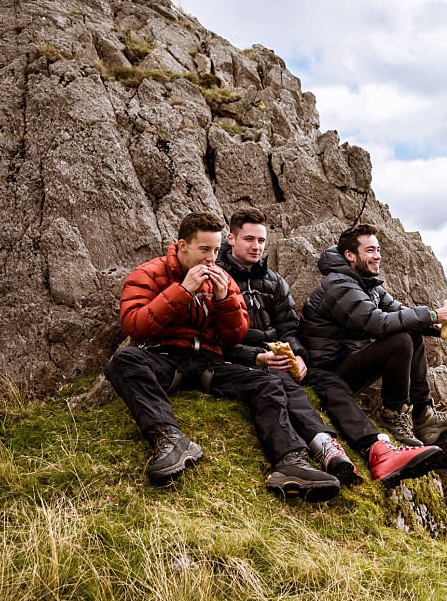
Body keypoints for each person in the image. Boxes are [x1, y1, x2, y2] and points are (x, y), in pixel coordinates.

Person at [104, 211, 342, 502]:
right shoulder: (148, 274)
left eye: (216, 251)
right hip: (163, 357)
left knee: (268, 384)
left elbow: (234, 336)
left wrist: (223, 300)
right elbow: (135, 325)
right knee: (124, 361)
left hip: (208, 362)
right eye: (204, 249)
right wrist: (182, 291)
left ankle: (291, 461)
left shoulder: (223, 280)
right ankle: (169, 440)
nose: (211, 258)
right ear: (182, 246)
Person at [217, 208, 443, 487]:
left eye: (261, 241)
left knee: (405, 336)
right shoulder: (219, 278)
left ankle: (402, 425)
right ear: (230, 239)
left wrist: (438, 326)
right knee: (317, 388)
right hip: (303, 364)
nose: (256, 246)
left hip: (315, 361)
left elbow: (289, 327)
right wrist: (259, 356)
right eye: (249, 239)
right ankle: (353, 449)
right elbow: (375, 323)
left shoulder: (275, 281)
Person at [299, 222, 447, 449]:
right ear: (350, 255)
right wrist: (433, 314)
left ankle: (424, 414)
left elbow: (401, 313)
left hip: (351, 360)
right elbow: (376, 323)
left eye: (378, 250)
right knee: (399, 340)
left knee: (411, 330)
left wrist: (435, 326)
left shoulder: (368, 284)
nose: (377, 257)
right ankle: (393, 413)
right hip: (330, 373)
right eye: (370, 251)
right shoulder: (339, 285)